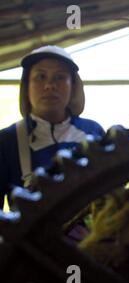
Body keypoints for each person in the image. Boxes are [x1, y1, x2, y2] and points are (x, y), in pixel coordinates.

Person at [0, 45, 105, 210]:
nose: (50, 85)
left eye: (60, 77)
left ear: (73, 86)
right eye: (40, 77)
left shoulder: (92, 132)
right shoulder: (7, 140)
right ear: (26, 87)